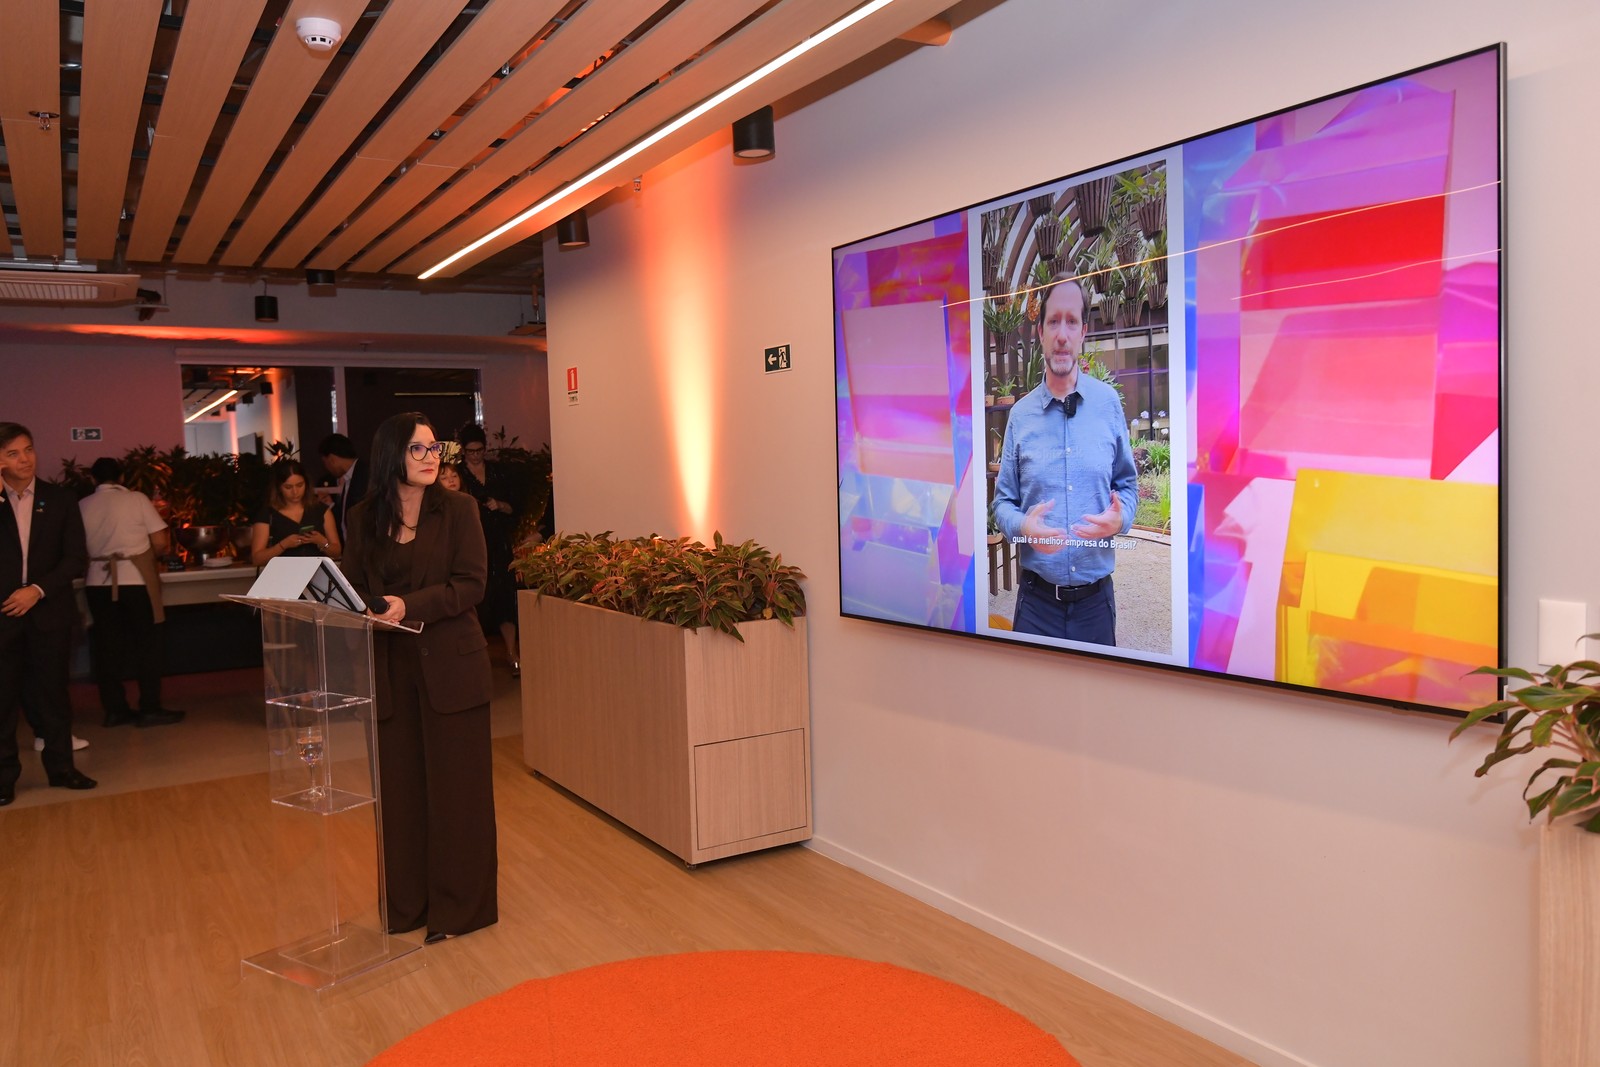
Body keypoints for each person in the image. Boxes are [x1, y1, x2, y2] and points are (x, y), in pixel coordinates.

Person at [341, 412, 497, 943]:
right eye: (419, 450)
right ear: (391, 457)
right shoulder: (363, 518)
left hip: (451, 666)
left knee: (458, 793)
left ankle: (460, 912)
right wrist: (355, 607)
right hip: (389, 670)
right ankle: (407, 907)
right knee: (401, 794)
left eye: (436, 449)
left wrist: (409, 605)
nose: (433, 458)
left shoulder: (459, 510)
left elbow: (471, 584)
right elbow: (356, 585)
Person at [992, 273, 1138, 646]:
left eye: (1071, 321)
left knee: (1098, 704)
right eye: (1054, 321)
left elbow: (1128, 485)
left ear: (1083, 331)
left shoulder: (1108, 406)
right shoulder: (1020, 417)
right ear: (1040, 330)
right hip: (1035, 606)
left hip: (1095, 606)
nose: (1062, 334)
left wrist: (1121, 518)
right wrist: (1024, 525)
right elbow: (1002, 503)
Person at [0, 422, 96, 805]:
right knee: (3, 701)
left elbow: (75, 558)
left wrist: (36, 591)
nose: (25, 459)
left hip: (49, 613)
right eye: (12, 453)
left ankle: (62, 769)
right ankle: (5, 778)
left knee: (53, 697)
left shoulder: (60, 499)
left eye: (28, 449)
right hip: (3, 616)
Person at [79, 457, 186, 730]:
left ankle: (115, 710)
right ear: (122, 478)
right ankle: (149, 707)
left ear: (93, 480)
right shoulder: (137, 499)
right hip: (135, 580)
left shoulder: (82, 505)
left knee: (106, 647)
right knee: (147, 645)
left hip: (96, 582)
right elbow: (161, 541)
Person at [456, 424, 523, 675]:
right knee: (479, 600)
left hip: (498, 540)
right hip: (473, 542)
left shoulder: (497, 472)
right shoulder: (458, 475)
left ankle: (511, 653)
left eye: (480, 450)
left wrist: (500, 505)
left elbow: (515, 506)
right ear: (463, 451)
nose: (476, 455)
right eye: (471, 451)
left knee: (506, 597)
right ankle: (478, 658)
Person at [251, 459, 341, 565]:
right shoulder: (267, 514)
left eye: (299, 485)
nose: (295, 492)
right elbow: (257, 559)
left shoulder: (321, 511)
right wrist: (283, 545)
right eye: (288, 487)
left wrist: (322, 542)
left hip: (316, 575)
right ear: (278, 487)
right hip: (284, 576)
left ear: (306, 484)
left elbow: (337, 552)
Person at [318, 433, 368, 543]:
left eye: (325, 463)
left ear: (332, 459)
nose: (327, 468)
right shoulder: (350, 477)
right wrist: (330, 505)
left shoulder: (365, 475)